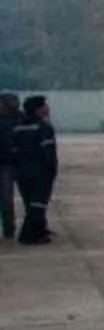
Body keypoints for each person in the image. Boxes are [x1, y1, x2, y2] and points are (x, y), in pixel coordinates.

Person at [12, 94, 55, 245]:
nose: (48, 108)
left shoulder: (18, 127)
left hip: (22, 171)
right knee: (38, 204)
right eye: (45, 106)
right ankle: (27, 236)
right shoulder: (43, 127)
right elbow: (48, 151)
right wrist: (52, 169)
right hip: (40, 171)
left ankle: (39, 231)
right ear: (38, 109)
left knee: (30, 203)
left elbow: (14, 150)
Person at [0, 93, 18, 241]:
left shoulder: (22, 119)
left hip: (17, 163)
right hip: (5, 163)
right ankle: (8, 227)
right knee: (6, 197)